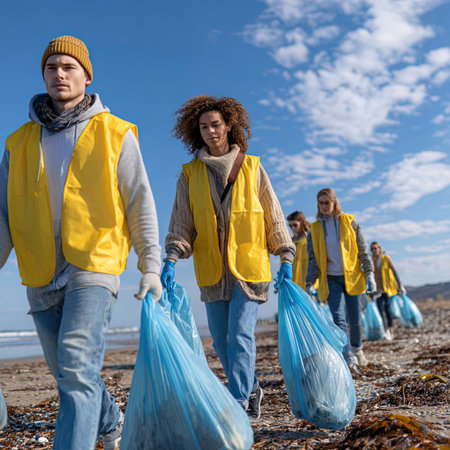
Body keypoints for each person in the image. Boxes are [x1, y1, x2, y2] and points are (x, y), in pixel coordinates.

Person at [0, 36, 162, 449]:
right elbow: (2, 214)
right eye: (51, 67)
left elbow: (139, 200)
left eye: (69, 67)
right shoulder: (17, 143)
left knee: (74, 365)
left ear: (87, 77)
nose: (59, 74)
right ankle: (109, 421)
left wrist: (151, 266)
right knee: (69, 373)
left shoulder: (115, 132)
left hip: (94, 262)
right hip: (39, 268)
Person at [160, 95, 295, 420]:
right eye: (204, 127)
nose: (210, 132)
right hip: (212, 269)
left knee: (240, 335)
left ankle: (236, 405)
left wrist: (285, 255)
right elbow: (182, 221)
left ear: (229, 125)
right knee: (221, 343)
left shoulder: (252, 167)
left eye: (216, 125)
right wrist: (171, 257)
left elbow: (273, 215)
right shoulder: (190, 174)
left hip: (249, 266)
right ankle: (251, 389)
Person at [306, 188, 375, 370]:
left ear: (335, 203)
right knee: (338, 318)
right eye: (321, 203)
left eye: (327, 203)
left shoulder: (350, 222)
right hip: (331, 279)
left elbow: (362, 251)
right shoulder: (314, 229)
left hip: (352, 276)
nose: (324, 206)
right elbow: (313, 259)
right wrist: (309, 282)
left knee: (355, 317)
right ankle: (347, 356)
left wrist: (369, 274)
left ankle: (357, 348)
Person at [370, 241, 406, 341]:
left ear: (379, 249)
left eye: (375, 248)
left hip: (388, 290)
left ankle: (390, 327)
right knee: (380, 310)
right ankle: (386, 331)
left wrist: (400, 285)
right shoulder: (370, 261)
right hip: (377, 291)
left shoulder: (385, 259)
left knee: (388, 310)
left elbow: (394, 272)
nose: (374, 250)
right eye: (372, 249)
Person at [287, 211, 310, 290]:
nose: (292, 228)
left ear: (302, 222)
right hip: (295, 283)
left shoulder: (310, 237)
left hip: (309, 282)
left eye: (295, 225)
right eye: (290, 226)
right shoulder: (290, 241)